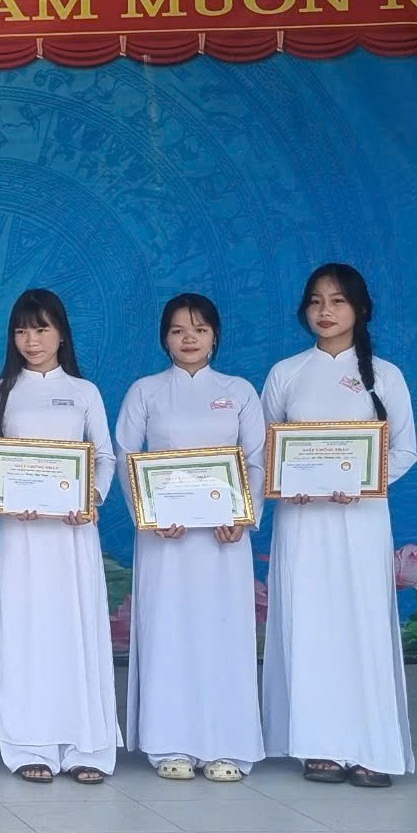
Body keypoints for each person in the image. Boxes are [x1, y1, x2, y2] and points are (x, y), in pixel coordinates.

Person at [263, 263, 417, 788]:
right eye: (315, 301)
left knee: (362, 624)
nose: (324, 311)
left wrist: (364, 481)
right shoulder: (286, 373)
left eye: (337, 301)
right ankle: (319, 745)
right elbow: (267, 450)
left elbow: (405, 450)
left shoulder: (386, 376)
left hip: (361, 521)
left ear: (361, 309)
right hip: (302, 520)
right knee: (308, 623)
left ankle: (373, 748)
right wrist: (286, 481)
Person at [116, 294, 266, 783]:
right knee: (168, 631)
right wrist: (149, 513)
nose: (189, 339)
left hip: (224, 539)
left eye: (199, 330)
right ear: (164, 337)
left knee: (225, 632)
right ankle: (169, 743)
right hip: (166, 539)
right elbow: (125, 455)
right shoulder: (146, 391)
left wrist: (243, 516)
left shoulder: (239, 391)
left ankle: (228, 745)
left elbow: (257, 459)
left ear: (215, 337)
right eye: (178, 330)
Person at [0, 289, 120, 784]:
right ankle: (29, 746)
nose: (31, 340)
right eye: (21, 330)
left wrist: (91, 497)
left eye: (41, 329)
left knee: (76, 628)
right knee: (26, 629)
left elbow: (104, 456)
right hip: (21, 534)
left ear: (61, 333)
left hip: (72, 532)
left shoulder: (84, 392)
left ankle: (86, 746)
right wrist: (5, 497)